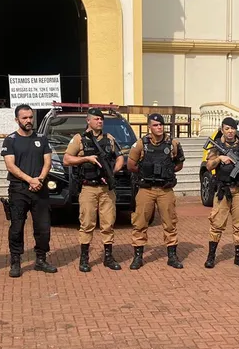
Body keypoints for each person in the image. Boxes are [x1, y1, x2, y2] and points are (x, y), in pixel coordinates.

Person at [62, 108, 124, 272]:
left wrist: (113, 171)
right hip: (88, 187)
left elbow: (120, 156)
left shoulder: (109, 139)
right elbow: (67, 159)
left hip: (106, 189)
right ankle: (84, 259)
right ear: (88, 121)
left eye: (101, 119)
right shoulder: (79, 139)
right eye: (96, 119)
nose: (100, 121)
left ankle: (108, 257)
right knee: (87, 223)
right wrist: (85, 158)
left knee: (108, 223)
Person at [2, 104, 56, 277]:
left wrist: (39, 179)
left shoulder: (42, 138)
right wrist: (30, 180)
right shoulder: (10, 140)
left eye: (30, 117)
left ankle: (41, 259)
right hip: (19, 190)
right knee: (17, 227)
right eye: (24, 118)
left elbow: (48, 161)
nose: (28, 121)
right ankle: (16, 261)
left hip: (40, 189)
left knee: (43, 227)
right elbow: (10, 165)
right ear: (17, 120)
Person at [127, 113, 186, 270]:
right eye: (155, 125)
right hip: (146, 189)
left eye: (161, 125)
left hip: (165, 190)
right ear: (149, 127)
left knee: (170, 223)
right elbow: (130, 164)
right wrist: (145, 172)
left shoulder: (172, 143)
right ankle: (138, 256)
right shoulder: (141, 144)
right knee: (140, 222)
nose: (159, 127)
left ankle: (172, 256)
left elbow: (179, 163)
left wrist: (168, 171)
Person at [204, 117, 239, 269]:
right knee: (217, 223)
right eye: (227, 129)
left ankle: (238, 256)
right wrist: (219, 158)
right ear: (222, 130)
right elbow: (209, 166)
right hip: (223, 190)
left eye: (232, 128)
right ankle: (211, 256)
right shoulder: (217, 146)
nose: (230, 131)